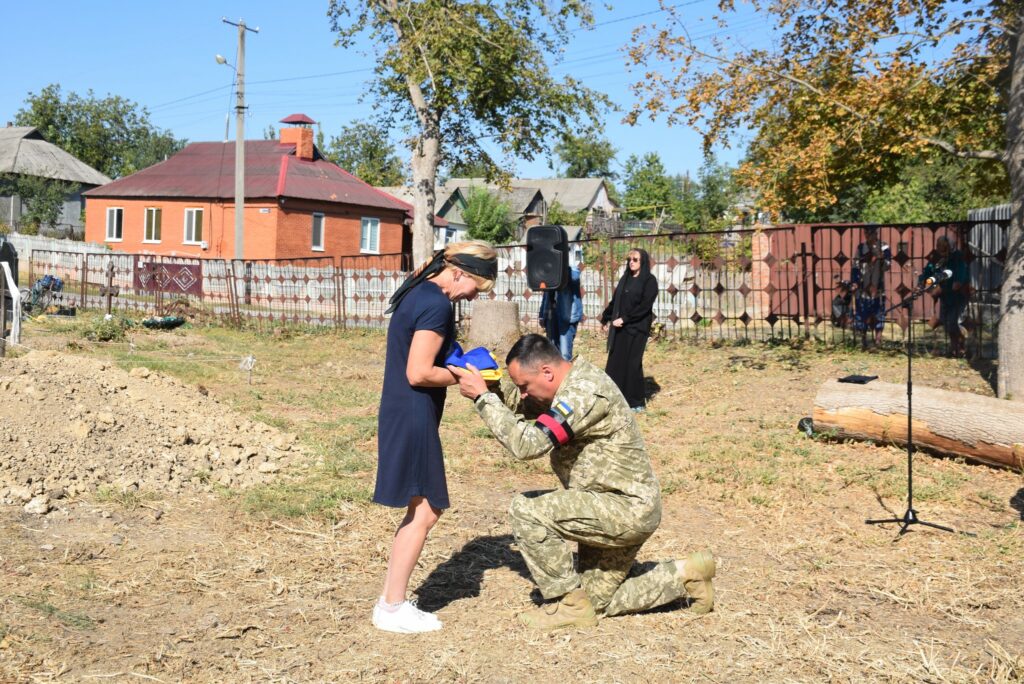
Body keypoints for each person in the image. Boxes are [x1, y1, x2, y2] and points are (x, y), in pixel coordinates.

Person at [450, 334, 716, 631]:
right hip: (611, 504)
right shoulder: (566, 384)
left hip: (623, 510)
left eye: (524, 386)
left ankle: (568, 603)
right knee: (595, 603)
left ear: (546, 372)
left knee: (526, 509)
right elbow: (524, 405)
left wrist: (482, 399)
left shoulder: (584, 393)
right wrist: (492, 387)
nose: (522, 394)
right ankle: (687, 574)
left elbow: (528, 445)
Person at [372, 240, 498, 634]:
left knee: (422, 504)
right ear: (458, 273)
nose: (473, 296)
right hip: (412, 412)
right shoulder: (437, 304)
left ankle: (392, 602)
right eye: (475, 287)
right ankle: (392, 606)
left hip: (402, 409)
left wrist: (453, 360)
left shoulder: (418, 289)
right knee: (427, 508)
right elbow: (419, 372)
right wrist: (468, 376)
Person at [599, 249, 658, 412]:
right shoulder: (625, 279)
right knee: (615, 363)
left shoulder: (649, 281)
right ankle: (614, 398)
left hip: (637, 328)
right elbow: (615, 301)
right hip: (620, 328)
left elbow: (645, 307)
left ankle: (636, 401)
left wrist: (625, 319)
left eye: (635, 259)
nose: (631, 262)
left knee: (632, 364)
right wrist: (606, 317)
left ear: (643, 262)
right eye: (630, 259)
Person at [921, 235, 970, 358]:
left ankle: (961, 346)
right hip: (945, 295)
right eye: (938, 246)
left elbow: (960, 274)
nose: (939, 248)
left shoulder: (957, 256)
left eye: (942, 246)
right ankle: (954, 348)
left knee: (952, 322)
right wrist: (923, 282)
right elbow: (928, 272)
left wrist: (958, 281)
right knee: (946, 322)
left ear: (949, 246)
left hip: (958, 296)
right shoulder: (937, 258)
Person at [851, 226, 892, 347]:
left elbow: (887, 266)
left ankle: (878, 340)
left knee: (878, 313)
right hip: (863, 287)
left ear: (876, 233)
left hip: (877, 287)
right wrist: (855, 281)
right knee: (862, 313)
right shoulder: (860, 248)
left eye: (870, 233)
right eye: (866, 233)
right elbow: (855, 266)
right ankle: (864, 341)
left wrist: (881, 257)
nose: (868, 236)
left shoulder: (884, 247)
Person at [537, 263, 583, 361]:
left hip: (567, 316)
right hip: (551, 316)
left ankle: (565, 375)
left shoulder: (572, 270)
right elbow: (545, 295)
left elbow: (574, 278)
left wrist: (562, 266)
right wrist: (542, 315)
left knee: (565, 354)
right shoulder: (550, 271)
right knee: (552, 352)